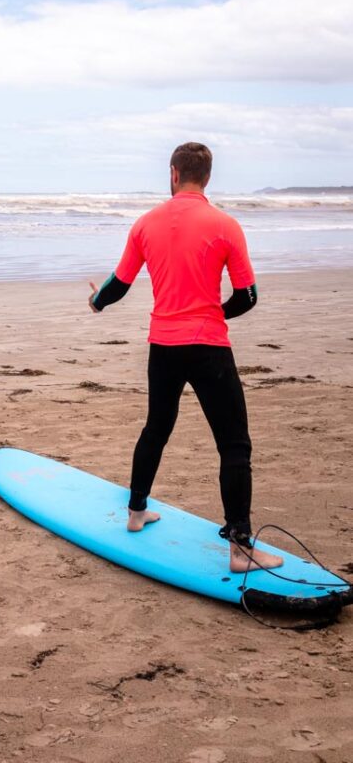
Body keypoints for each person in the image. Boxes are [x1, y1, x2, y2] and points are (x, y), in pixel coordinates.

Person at [88, 143, 283, 574]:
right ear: (207, 177)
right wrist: (214, 312)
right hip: (210, 346)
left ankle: (136, 512)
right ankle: (239, 549)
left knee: (157, 428)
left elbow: (118, 284)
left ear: (173, 173)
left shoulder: (145, 224)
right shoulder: (225, 225)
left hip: (164, 347)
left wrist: (96, 302)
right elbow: (247, 296)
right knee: (233, 444)